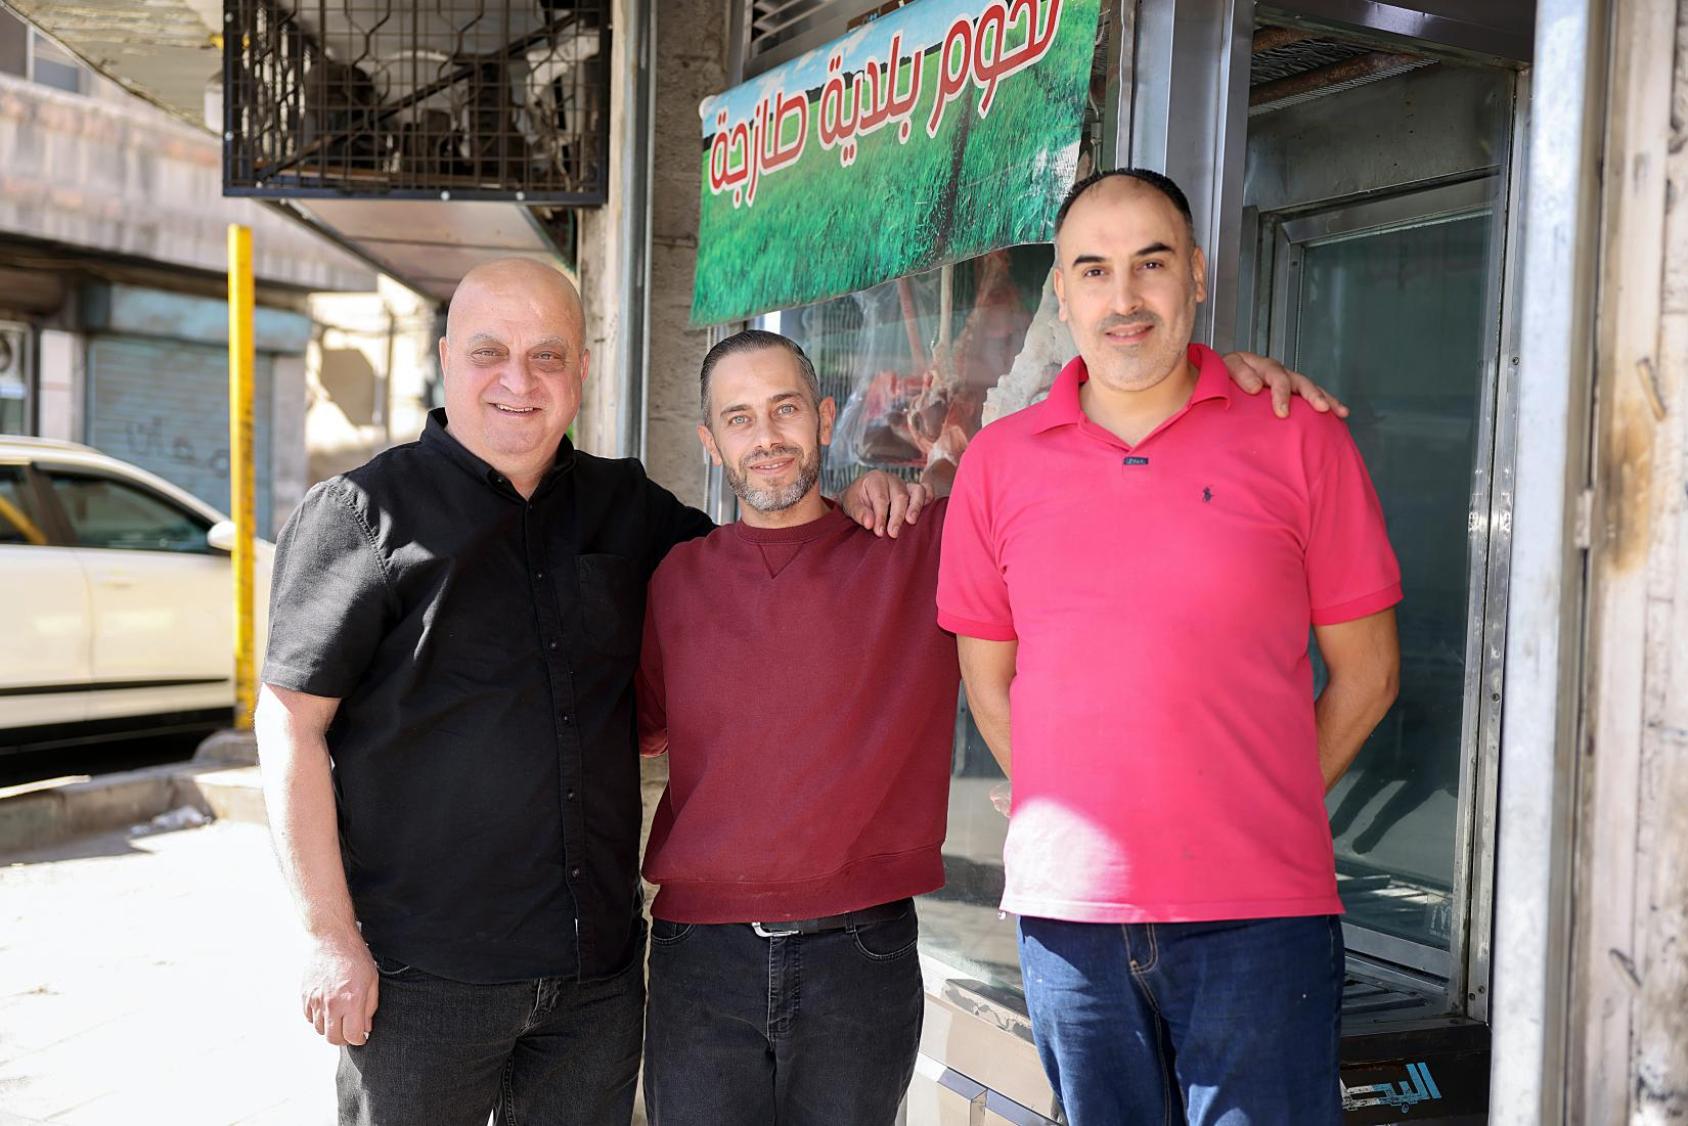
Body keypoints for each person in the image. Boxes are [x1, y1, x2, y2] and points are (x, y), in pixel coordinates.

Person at [254, 258, 921, 1126]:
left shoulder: (628, 507)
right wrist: (327, 938)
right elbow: (289, 728)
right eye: (490, 352)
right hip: (423, 983)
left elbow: (765, 555)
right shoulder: (359, 513)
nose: (518, 382)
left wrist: (857, 493)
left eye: (547, 356)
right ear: (448, 357)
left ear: (582, 371)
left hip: (593, 988)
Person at [635, 321, 1354, 1125]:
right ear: (708, 439)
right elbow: (647, 729)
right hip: (701, 956)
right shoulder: (673, 581)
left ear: (826, 416)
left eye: (785, 409)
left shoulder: (915, 545)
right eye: (739, 418)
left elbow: (1055, 437)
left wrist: (1213, 378)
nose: (766, 437)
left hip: (858, 953)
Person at [938, 169, 1403, 1125]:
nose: (1124, 298)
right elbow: (991, 684)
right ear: (1060, 294)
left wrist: (1253, 805)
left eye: (1150, 264)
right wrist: (1083, 817)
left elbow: (1369, 673)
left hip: (1259, 919)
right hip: (1071, 926)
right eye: (1093, 271)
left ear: (1196, 273)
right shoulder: (999, 463)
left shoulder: (1299, 436)